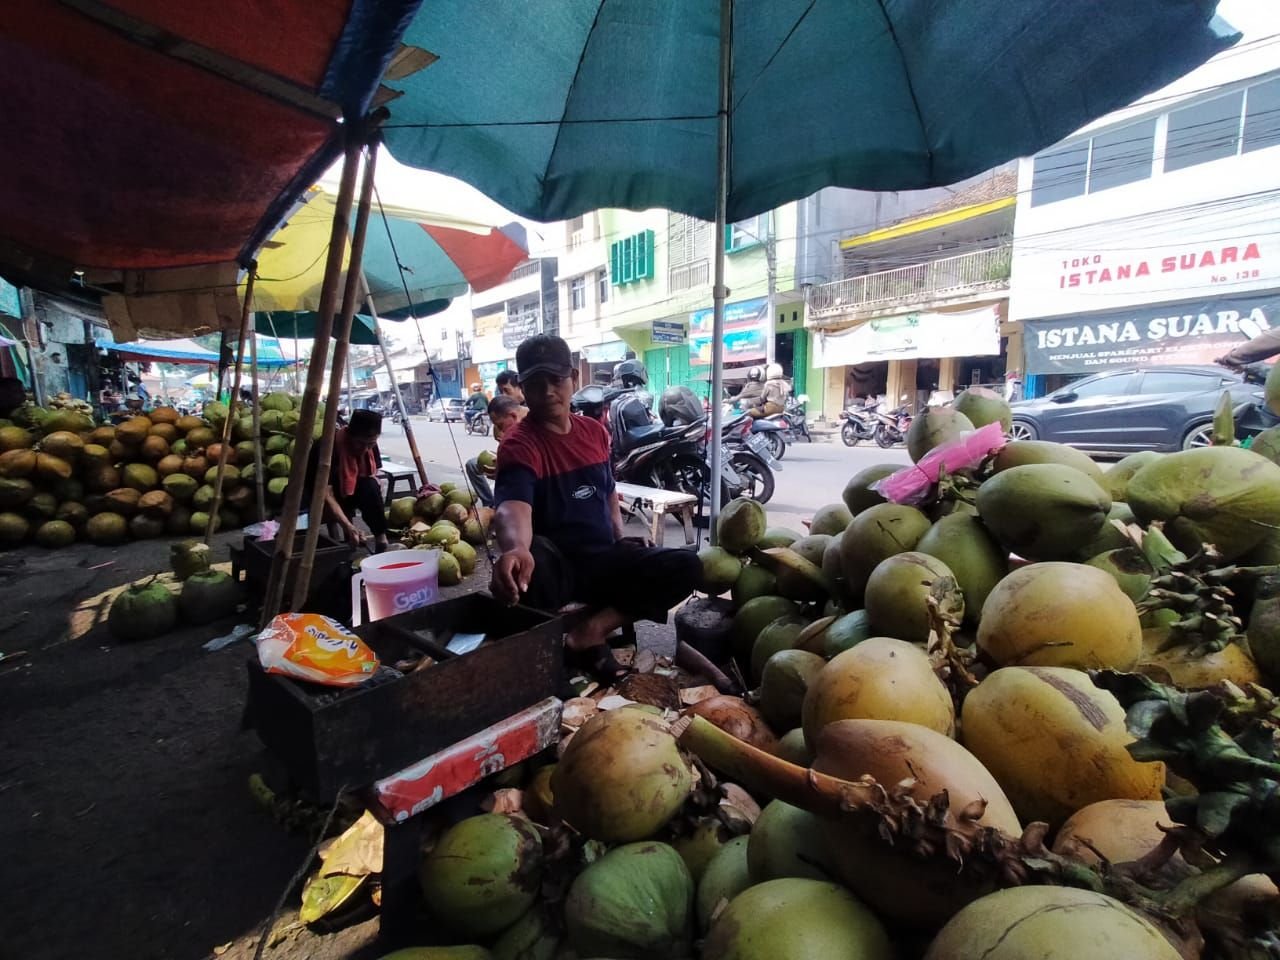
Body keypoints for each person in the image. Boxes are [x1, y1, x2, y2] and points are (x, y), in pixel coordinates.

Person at [490, 334, 701, 681]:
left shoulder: (594, 432)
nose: (547, 392)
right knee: (530, 558)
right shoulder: (519, 443)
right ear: (522, 388)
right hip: (555, 572)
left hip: (602, 561)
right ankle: (544, 664)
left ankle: (589, 633)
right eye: (534, 383)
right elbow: (514, 506)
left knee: (687, 565)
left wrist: (620, 537)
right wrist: (515, 548)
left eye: (556, 380)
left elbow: (607, 491)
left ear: (573, 377)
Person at [302, 409, 389, 552]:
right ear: (349, 435)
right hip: (321, 495)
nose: (365, 449)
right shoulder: (326, 447)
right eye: (360, 443)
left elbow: (373, 475)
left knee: (371, 486)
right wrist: (348, 527)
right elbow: (325, 493)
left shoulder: (370, 446)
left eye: (371, 444)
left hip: (350, 491)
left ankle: (381, 540)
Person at [466, 395, 527, 507]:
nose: (501, 429)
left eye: (500, 425)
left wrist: (504, 469)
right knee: (472, 464)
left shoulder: (533, 423)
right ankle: (489, 503)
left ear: (513, 415)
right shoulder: (508, 422)